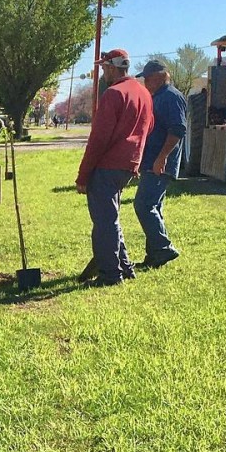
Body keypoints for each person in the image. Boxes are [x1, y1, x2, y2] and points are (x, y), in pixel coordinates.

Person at [75, 49, 153, 286]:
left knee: (104, 222)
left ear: (111, 67)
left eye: (103, 67)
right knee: (112, 217)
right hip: (129, 166)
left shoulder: (113, 94)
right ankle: (125, 267)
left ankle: (110, 274)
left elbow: (98, 139)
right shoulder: (144, 93)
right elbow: (149, 128)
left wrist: (83, 175)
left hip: (107, 165)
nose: (102, 72)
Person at [133, 59, 187, 270]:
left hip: (160, 163)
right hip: (152, 161)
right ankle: (154, 255)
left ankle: (163, 248)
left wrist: (161, 157)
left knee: (143, 205)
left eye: (148, 78)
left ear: (160, 76)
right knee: (153, 207)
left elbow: (177, 130)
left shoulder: (171, 97)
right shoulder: (158, 97)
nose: (145, 82)